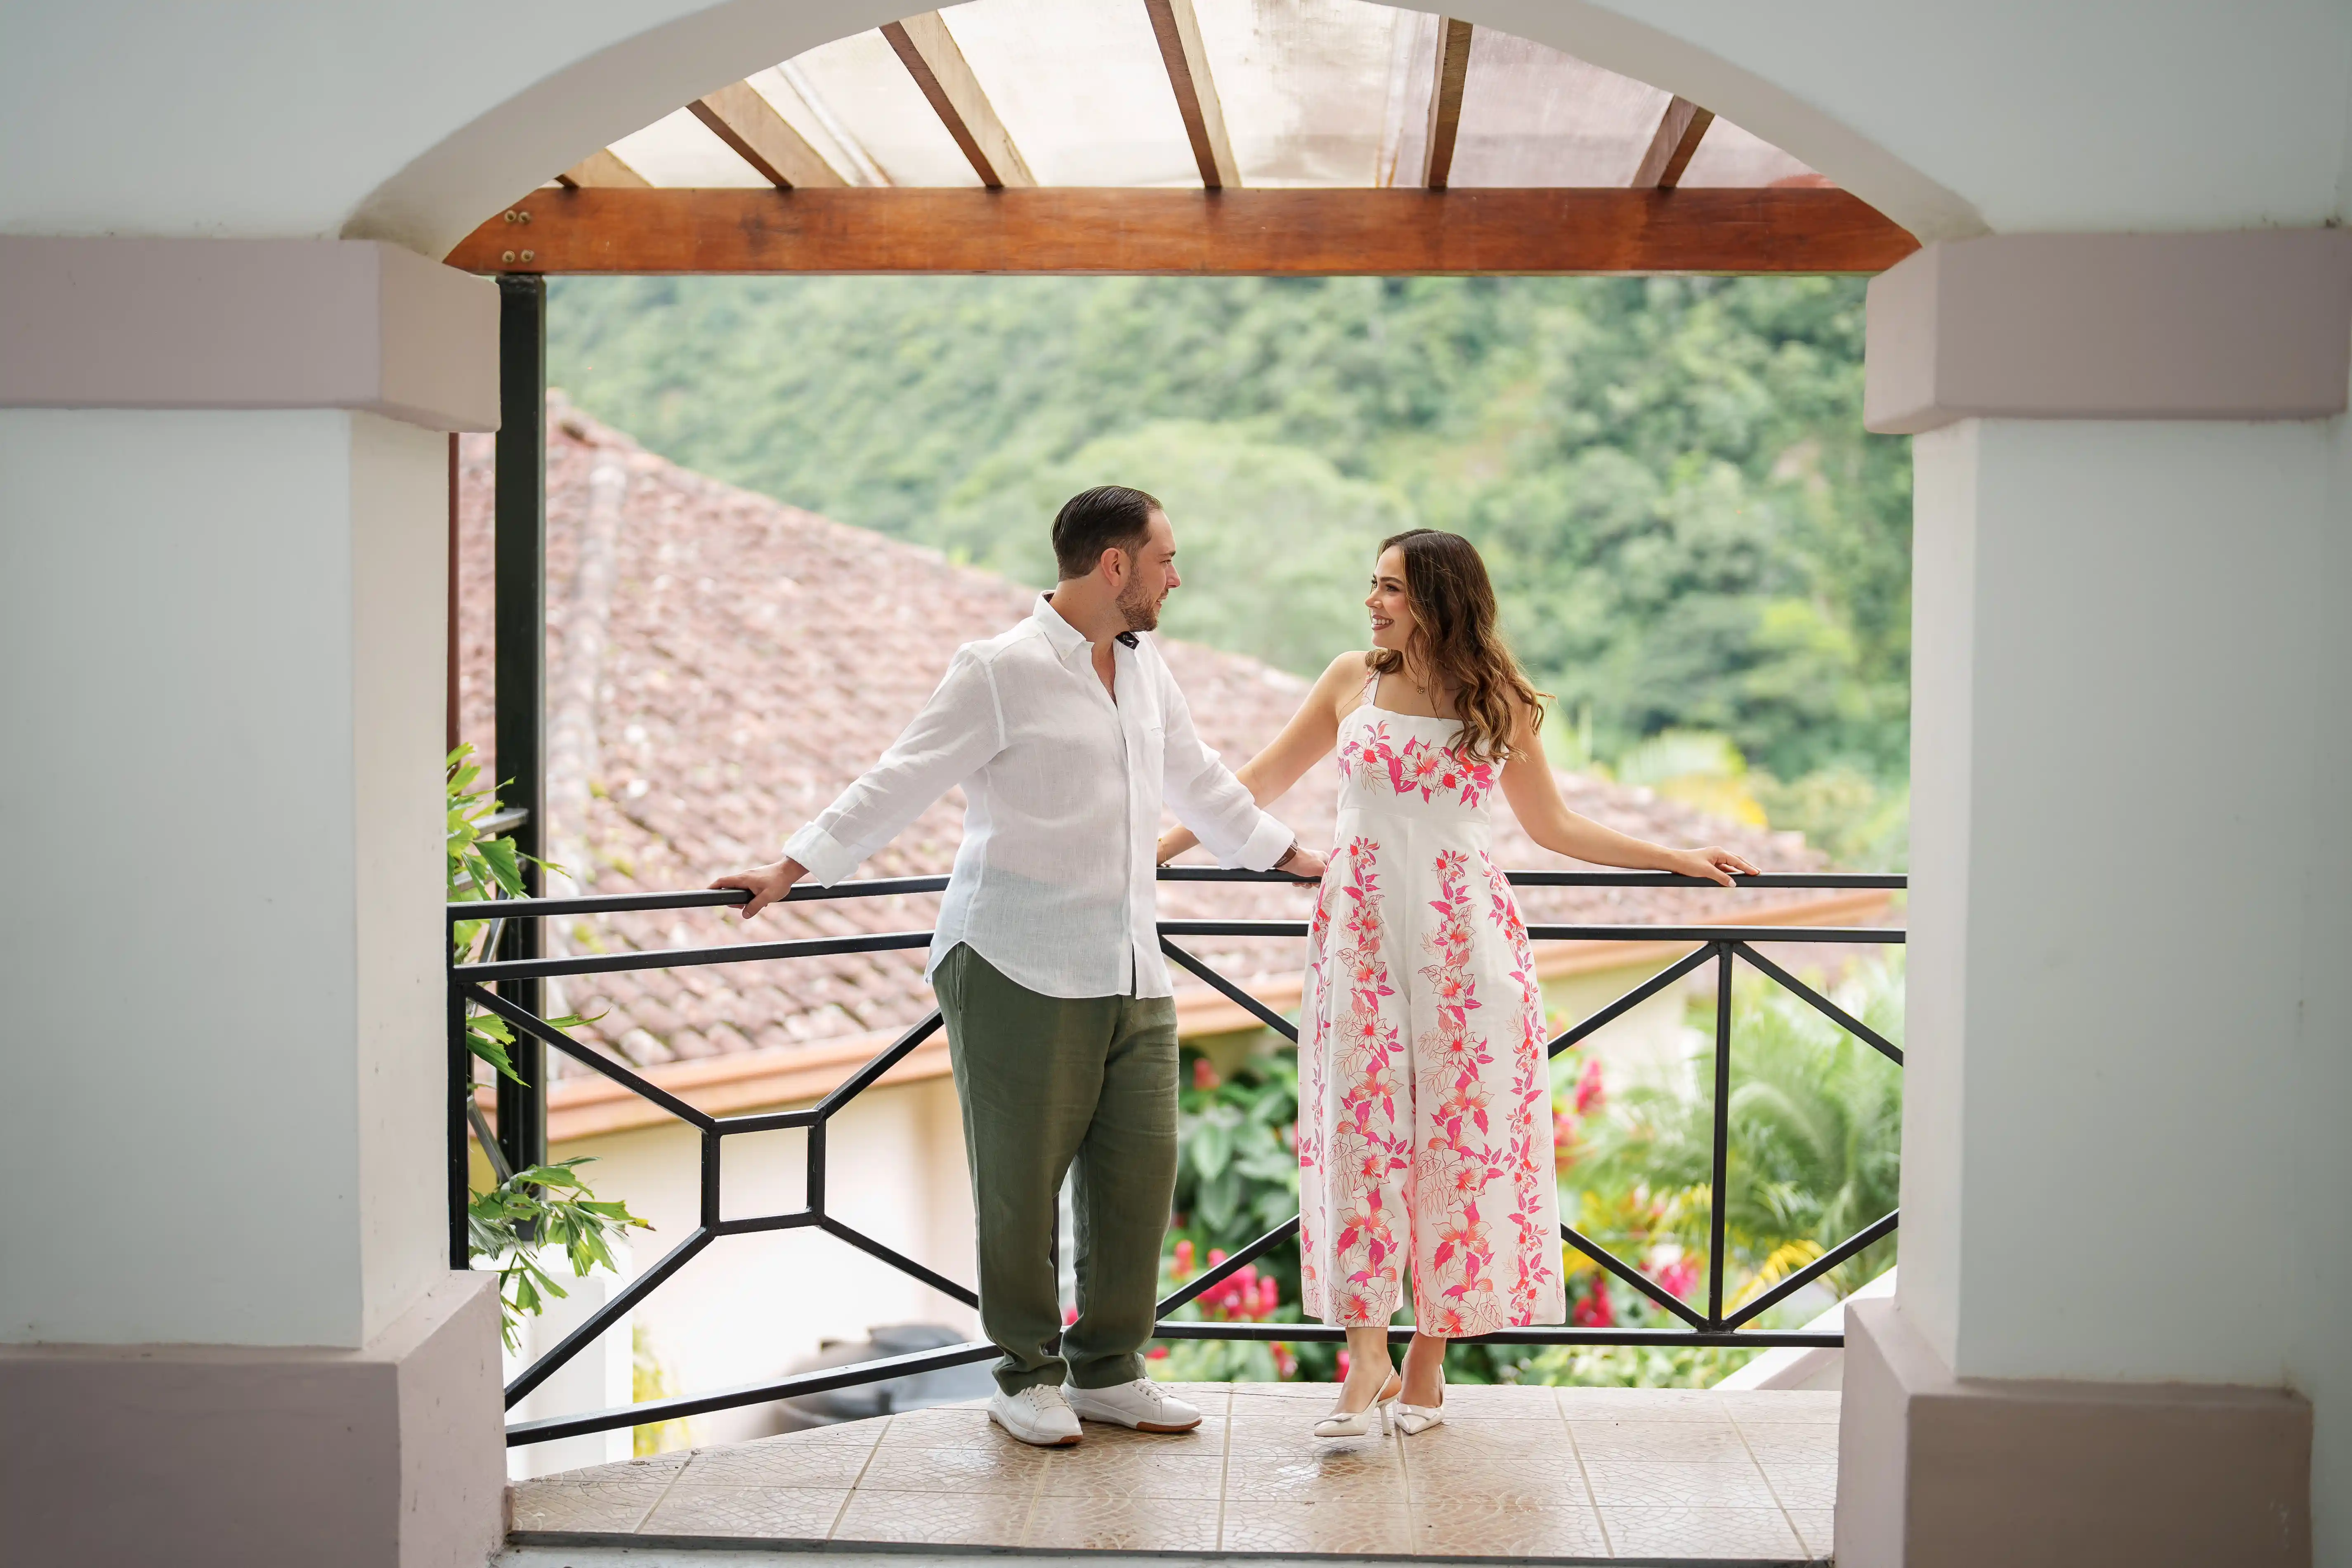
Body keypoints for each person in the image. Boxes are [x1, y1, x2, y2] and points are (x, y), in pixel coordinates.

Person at [713, 485, 1326, 1448]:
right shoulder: (997, 670)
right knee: (1019, 1187)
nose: (1178, 575)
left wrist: (1298, 860)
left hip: (1130, 964)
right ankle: (1027, 1375)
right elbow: (898, 776)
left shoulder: (1144, 664)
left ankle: (1111, 1369)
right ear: (1113, 565)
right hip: (1013, 960)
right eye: (1165, 556)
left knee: (1137, 1180)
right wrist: (789, 870)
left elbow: (1201, 781)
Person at [1154, 529, 1757, 1438]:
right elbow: (1257, 781)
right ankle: (1365, 1361)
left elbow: (1554, 826)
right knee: (1362, 1137)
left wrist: (1673, 856)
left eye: (1391, 587)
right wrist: (1153, 851)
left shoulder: (1498, 700)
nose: (1373, 601)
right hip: (1356, 936)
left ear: (1439, 596)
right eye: (1373, 584)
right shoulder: (1349, 678)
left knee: (1458, 1149)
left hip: (1465, 944)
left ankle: (1427, 1366)